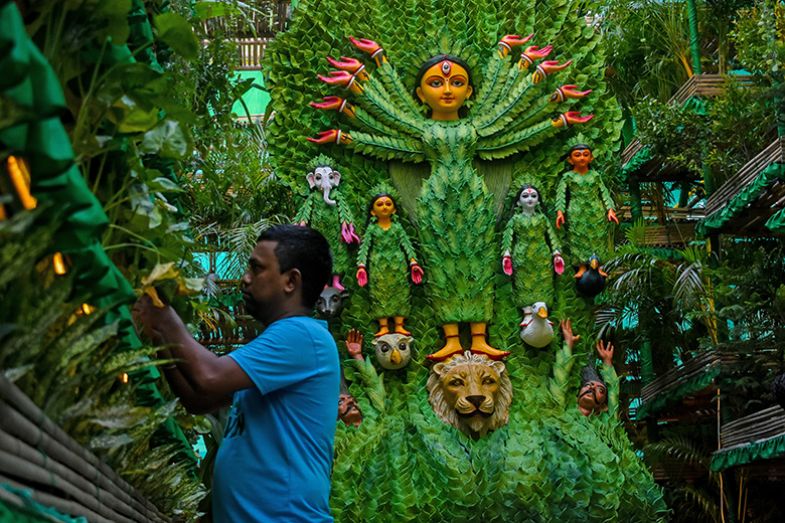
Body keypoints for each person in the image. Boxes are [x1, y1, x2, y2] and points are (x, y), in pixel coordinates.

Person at [132, 224, 340, 522]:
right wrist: (158, 336)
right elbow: (199, 399)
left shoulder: (301, 335)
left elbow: (209, 375)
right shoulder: (283, 342)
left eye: (257, 269)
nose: (245, 278)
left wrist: (164, 318)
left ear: (291, 281)